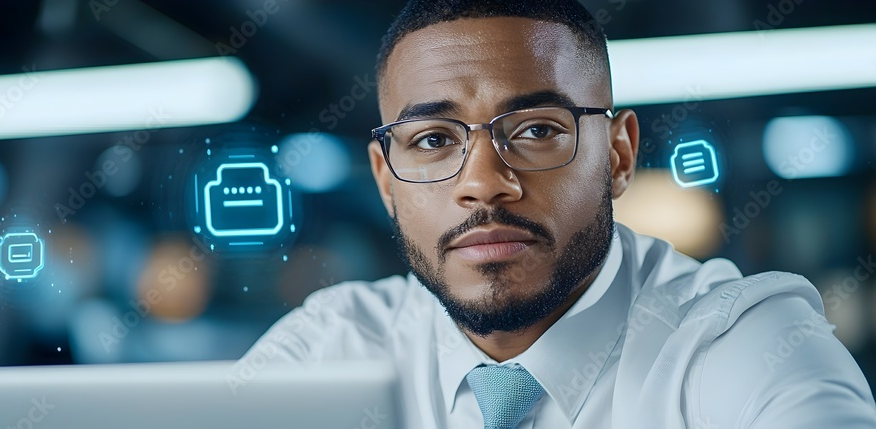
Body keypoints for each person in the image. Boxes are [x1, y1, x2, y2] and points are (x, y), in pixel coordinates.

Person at [239, 0, 876, 427]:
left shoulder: (738, 343)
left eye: (538, 130)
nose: (484, 184)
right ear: (386, 179)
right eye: (433, 141)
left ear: (619, 154)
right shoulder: (333, 346)